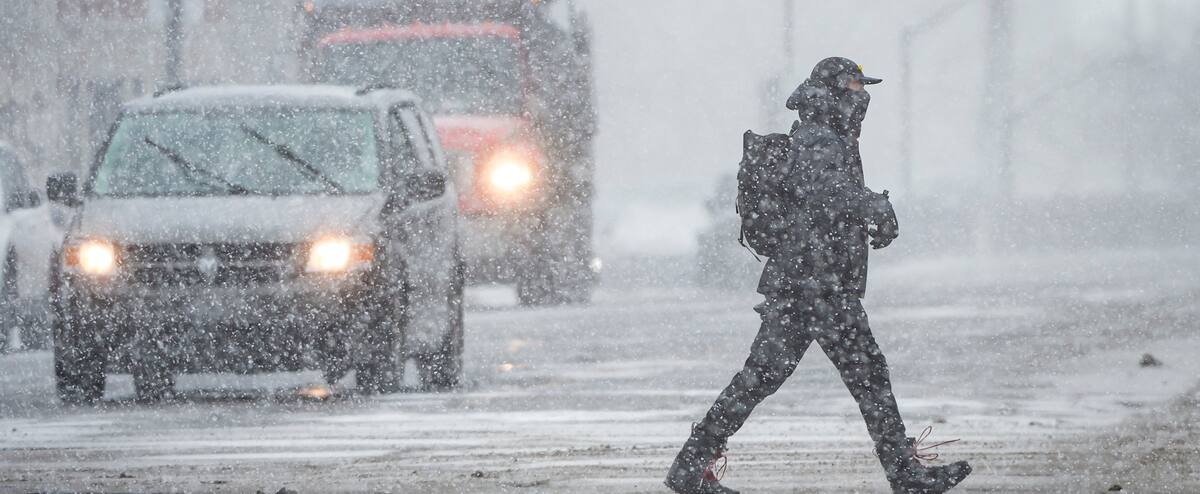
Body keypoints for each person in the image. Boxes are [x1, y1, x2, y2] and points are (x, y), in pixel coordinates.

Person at [665, 57, 972, 494]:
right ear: (835, 90)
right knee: (866, 376)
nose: (862, 95)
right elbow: (824, 191)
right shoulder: (819, 137)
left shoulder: (829, 134)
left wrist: (863, 214)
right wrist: (876, 208)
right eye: (855, 86)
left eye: (864, 87)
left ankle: (690, 465)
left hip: (806, 282)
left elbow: (823, 196)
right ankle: (905, 476)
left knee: (766, 378)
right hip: (816, 282)